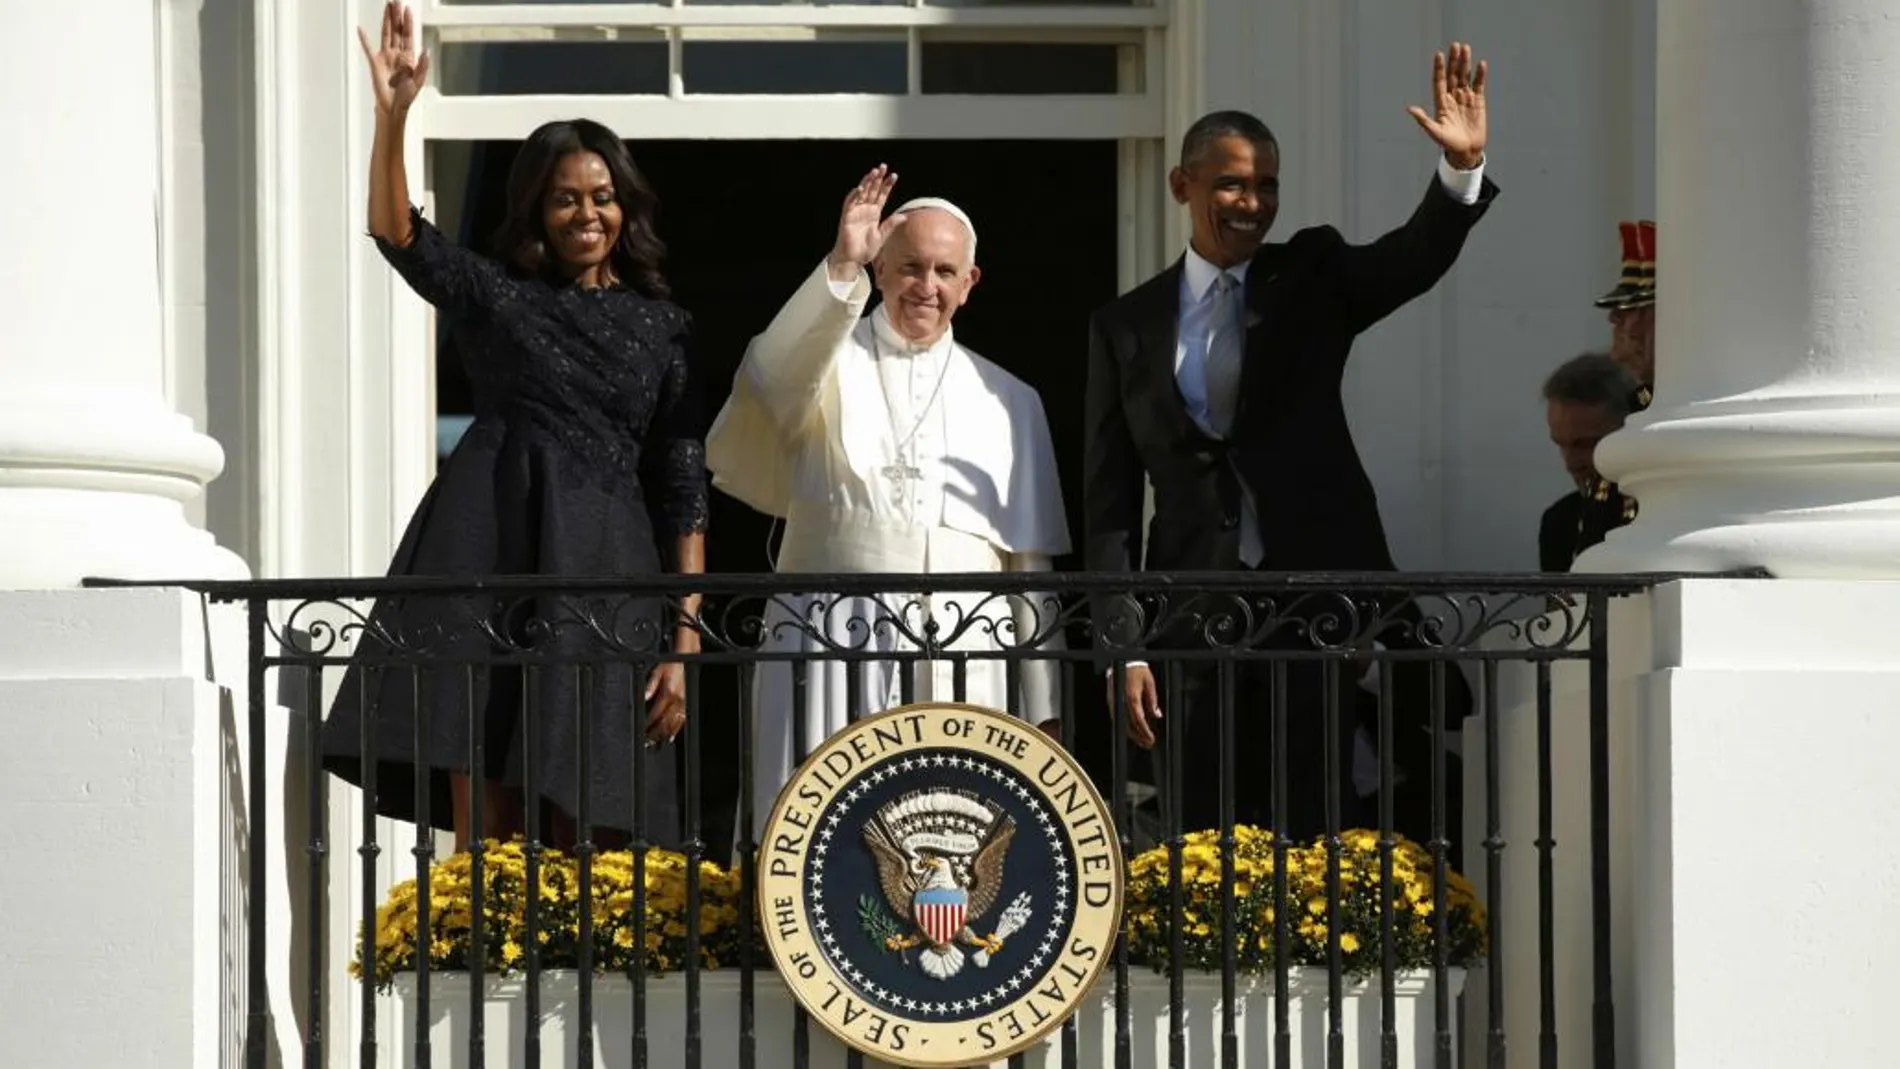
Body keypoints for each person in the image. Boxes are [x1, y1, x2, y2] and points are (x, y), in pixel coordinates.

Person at [1082, 44, 1496, 841]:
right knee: (1196, 826)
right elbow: (1108, 503)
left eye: (1266, 183)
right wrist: (1120, 645)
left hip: (1314, 605)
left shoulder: (1310, 276)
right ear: (1183, 186)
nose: (1252, 202)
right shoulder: (1123, 326)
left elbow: (1408, 262)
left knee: (1313, 816)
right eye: (1231, 182)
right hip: (1189, 614)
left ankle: (1307, 974)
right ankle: (1201, 971)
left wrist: (1460, 174)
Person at [322, 3, 706, 852]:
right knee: (490, 807)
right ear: (537, 209)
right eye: (565, 199)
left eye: (602, 197)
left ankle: (590, 984)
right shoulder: (501, 298)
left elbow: (683, 484)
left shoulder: (663, 328)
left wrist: (684, 636)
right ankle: (481, 970)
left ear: (624, 206)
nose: (586, 215)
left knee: (599, 816)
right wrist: (394, 118)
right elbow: (400, 234)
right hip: (491, 548)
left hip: (607, 563)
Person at [706, 166, 1069, 834]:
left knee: (946, 848)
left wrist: (1044, 711)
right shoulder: (823, 361)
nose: (924, 287)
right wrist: (840, 263)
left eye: (942, 271)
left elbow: (1029, 570)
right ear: (880, 269)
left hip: (966, 654)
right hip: (831, 633)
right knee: (822, 843)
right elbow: (765, 382)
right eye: (907, 267)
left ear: (970, 283)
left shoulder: (1012, 401)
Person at [1537, 353, 1642, 571]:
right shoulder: (1559, 523)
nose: (1570, 463)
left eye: (1584, 445)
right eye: (1560, 444)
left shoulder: (1670, 509)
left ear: (1629, 430)